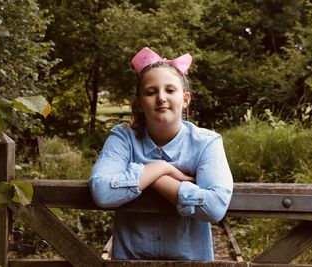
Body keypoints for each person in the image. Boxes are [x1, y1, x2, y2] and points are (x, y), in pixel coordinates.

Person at [89, 47, 233, 260]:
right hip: (132, 262)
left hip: (189, 262)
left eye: (170, 90)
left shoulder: (206, 142)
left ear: (185, 99)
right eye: (151, 92)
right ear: (139, 103)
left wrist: (151, 179)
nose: (161, 98)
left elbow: (215, 207)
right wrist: (161, 168)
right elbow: (102, 191)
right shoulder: (124, 137)